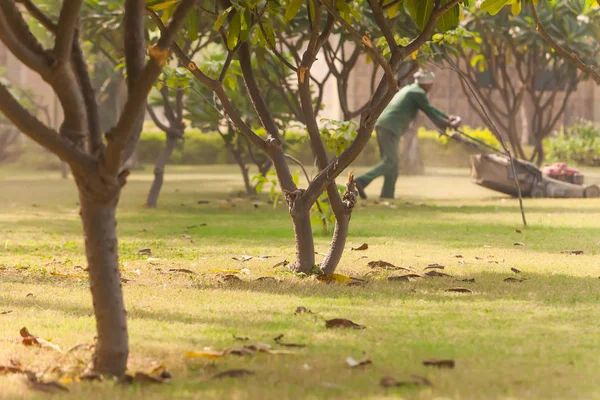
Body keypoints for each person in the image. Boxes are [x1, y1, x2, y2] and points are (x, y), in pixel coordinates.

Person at [355, 69, 462, 199]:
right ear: (427, 83)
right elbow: (428, 110)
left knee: (392, 164)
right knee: (390, 162)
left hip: (385, 126)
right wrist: (447, 123)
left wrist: (446, 117)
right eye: (431, 84)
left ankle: (387, 194)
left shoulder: (410, 89)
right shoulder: (417, 92)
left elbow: (430, 108)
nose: (431, 86)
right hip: (390, 127)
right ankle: (361, 181)